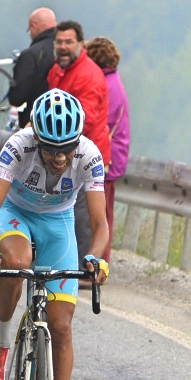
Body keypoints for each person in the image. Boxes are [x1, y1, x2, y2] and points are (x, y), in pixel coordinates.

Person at [0, 89, 110, 380]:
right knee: (16, 262)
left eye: (66, 148)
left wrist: (97, 258)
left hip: (58, 225)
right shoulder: (18, 147)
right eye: (51, 149)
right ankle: (1, 345)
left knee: (62, 326)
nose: (60, 157)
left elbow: (100, 226)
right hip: (15, 215)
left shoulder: (89, 155)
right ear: (37, 138)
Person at [47, 20, 111, 266]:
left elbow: (86, 118)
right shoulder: (57, 70)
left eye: (68, 42)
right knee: (64, 211)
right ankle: (60, 261)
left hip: (86, 155)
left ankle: (85, 269)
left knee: (83, 215)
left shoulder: (88, 75)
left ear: (81, 44)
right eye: (59, 42)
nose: (63, 47)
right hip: (61, 152)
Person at [84, 37, 130, 261]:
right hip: (114, 156)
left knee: (100, 215)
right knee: (103, 212)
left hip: (106, 158)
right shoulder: (112, 80)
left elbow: (101, 124)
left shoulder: (105, 84)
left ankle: (99, 261)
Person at [8, 7, 58, 127]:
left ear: (34, 25)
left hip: (36, 123)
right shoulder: (70, 51)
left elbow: (17, 97)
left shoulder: (31, 54)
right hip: (65, 121)